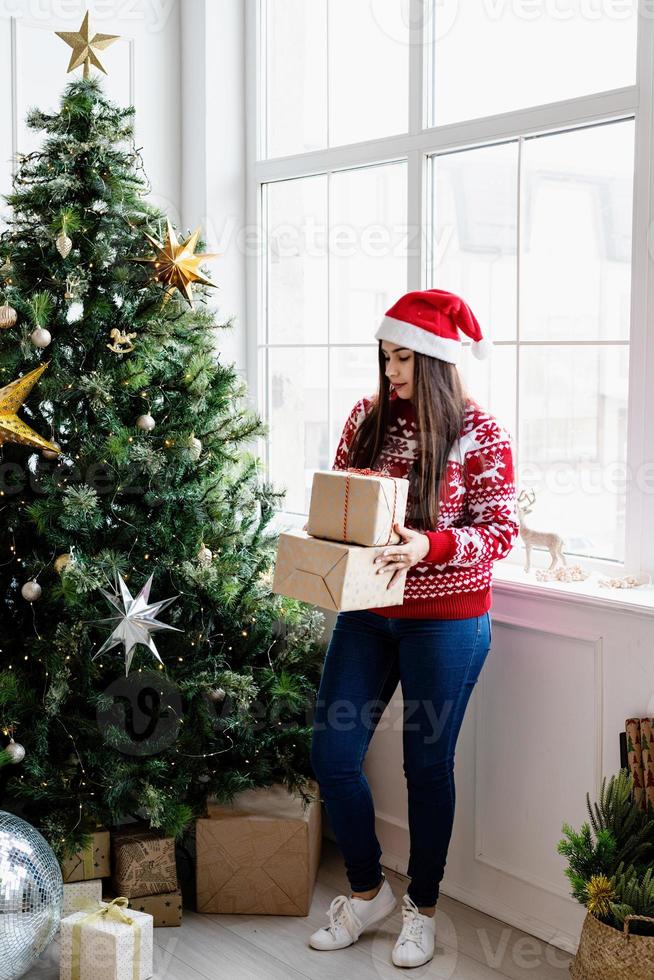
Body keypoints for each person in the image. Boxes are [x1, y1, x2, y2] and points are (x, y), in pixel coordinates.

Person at [307, 288, 520, 968]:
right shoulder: (366, 420)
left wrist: (426, 546)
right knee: (333, 756)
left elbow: (499, 532)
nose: (390, 371)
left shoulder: (481, 434)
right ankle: (368, 892)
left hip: (447, 622)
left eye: (403, 358)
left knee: (426, 765)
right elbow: (345, 501)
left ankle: (422, 909)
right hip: (369, 614)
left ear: (433, 360)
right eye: (385, 356)